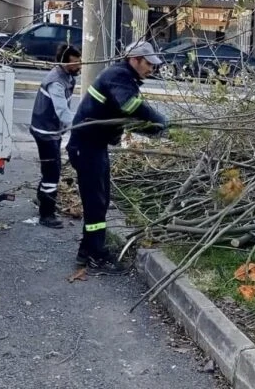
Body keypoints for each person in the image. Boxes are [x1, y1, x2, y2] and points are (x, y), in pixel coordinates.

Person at [67, 40, 168, 273]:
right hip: (87, 147)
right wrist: (160, 121)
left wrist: (154, 130)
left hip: (94, 146)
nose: (151, 68)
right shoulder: (120, 77)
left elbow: (127, 117)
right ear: (134, 60)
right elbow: (133, 106)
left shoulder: (124, 78)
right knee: (96, 203)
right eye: (148, 63)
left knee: (100, 201)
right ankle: (95, 255)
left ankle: (87, 251)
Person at [30, 44, 82, 228]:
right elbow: (63, 112)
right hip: (45, 133)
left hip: (53, 131)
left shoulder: (68, 76)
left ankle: (41, 198)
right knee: (52, 173)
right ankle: (47, 214)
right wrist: (82, 126)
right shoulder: (56, 82)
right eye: (76, 63)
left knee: (51, 168)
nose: (80, 66)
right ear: (64, 62)